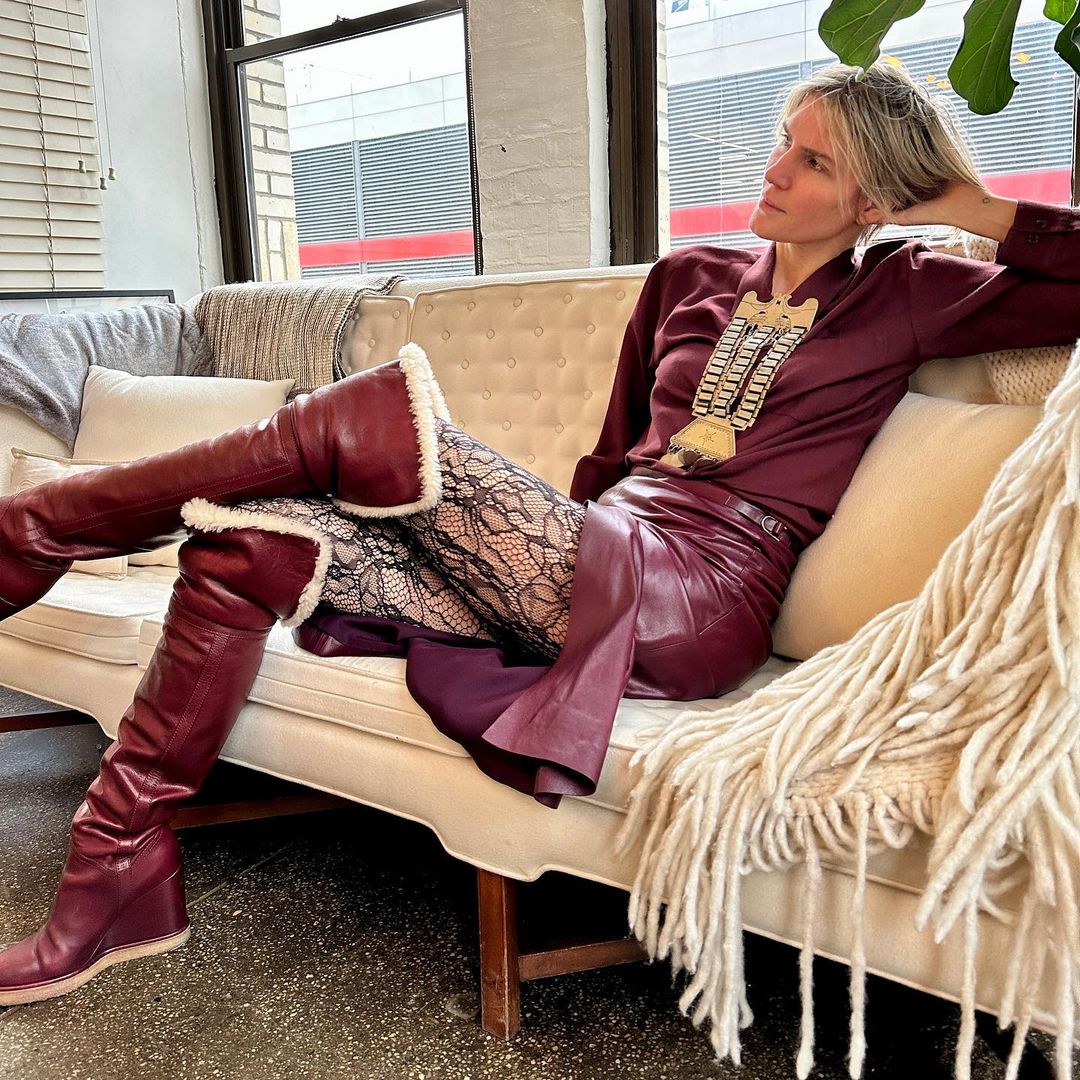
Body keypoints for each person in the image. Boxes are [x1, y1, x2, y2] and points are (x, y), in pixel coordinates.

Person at [1, 60, 1078, 1008]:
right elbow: (610, 458)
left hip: (698, 596)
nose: (773, 170)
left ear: (875, 195)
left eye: (812, 161)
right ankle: (116, 877)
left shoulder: (915, 290)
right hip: (595, 555)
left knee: (375, 415)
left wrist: (966, 207)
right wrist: (524, 542)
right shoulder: (689, 279)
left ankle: (43, 526)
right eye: (781, 144)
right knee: (246, 542)